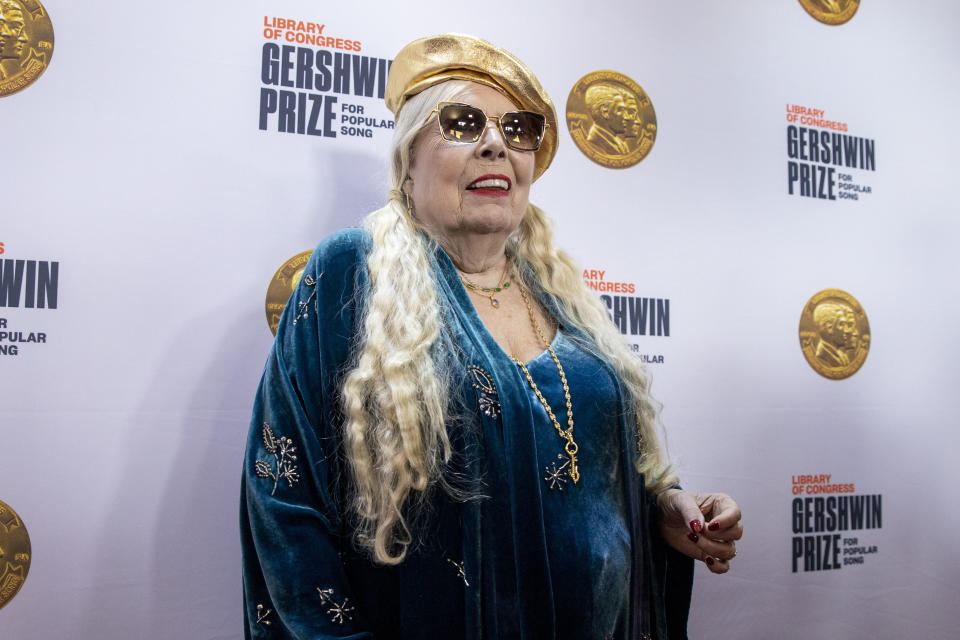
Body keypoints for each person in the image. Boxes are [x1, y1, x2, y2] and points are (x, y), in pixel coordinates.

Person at [241, 33, 742, 639]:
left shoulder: (560, 293)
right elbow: (282, 494)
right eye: (462, 123)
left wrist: (666, 507)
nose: (496, 144)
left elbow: (596, 474)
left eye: (518, 129)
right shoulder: (355, 269)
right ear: (407, 162)